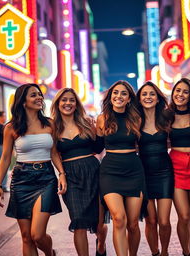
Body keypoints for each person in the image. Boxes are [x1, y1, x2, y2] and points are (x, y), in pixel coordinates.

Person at [0, 83, 67, 256]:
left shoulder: (49, 124)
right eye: (33, 95)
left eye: (39, 95)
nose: (39, 98)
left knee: (37, 234)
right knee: (26, 237)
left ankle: (50, 253)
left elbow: (54, 153)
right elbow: (6, 158)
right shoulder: (11, 127)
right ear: (23, 101)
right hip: (21, 179)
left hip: (46, 178)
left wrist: (62, 174)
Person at [51, 88, 107, 256]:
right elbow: (53, 153)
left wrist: (98, 131)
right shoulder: (52, 127)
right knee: (78, 221)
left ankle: (101, 247)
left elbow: (98, 148)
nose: (68, 103)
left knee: (99, 223)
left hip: (93, 171)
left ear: (76, 104)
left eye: (71, 100)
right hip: (70, 175)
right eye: (64, 100)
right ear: (58, 103)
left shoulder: (86, 122)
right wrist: (61, 174)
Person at [96, 80, 147, 256]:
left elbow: (144, 144)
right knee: (119, 218)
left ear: (129, 99)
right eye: (115, 92)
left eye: (123, 93)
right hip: (110, 172)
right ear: (110, 97)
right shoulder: (102, 119)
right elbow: (96, 147)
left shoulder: (137, 118)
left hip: (134, 170)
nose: (119, 96)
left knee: (133, 223)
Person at [137, 81, 173, 256]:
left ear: (158, 98)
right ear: (139, 98)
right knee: (151, 220)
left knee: (164, 221)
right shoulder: (135, 120)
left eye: (152, 94)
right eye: (144, 94)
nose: (148, 97)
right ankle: (155, 253)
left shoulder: (166, 117)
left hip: (165, 171)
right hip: (143, 173)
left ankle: (165, 252)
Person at [168, 78, 190, 256]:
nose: (180, 95)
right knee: (184, 216)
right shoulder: (166, 116)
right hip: (175, 167)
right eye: (177, 91)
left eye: (185, 92)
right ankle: (186, 252)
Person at [0, 111, 8, 191]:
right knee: (4, 165)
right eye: (4, 116)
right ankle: (3, 186)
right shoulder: (3, 127)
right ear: (0, 117)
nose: (5, 118)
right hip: (1, 147)